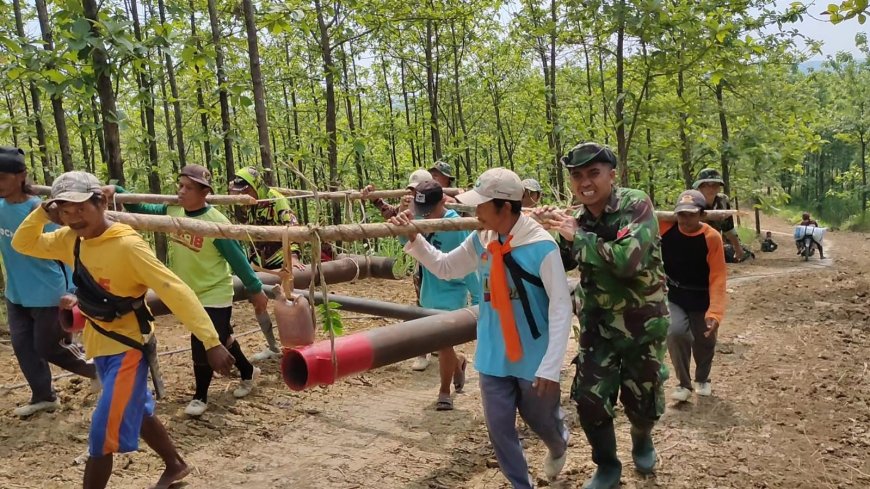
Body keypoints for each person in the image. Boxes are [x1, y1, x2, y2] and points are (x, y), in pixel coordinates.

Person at [12, 170, 235, 489]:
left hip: (129, 348)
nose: (74, 218)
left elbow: (174, 289)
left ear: (100, 203)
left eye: (81, 208)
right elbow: (24, 243)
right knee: (138, 409)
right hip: (99, 344)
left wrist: (211, 340)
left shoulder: (128, 245)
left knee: (102, 435)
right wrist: (40, 212)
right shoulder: (68, 239)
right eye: (65, 210)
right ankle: (175, 465)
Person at [391, 168, 572, 487]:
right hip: (493, 352)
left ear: (504, 207)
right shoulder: (482, 237)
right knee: (500, 429)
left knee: (541, 421)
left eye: (482, 205)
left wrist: (551, 366)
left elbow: (560, 306)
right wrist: (413, 237)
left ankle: (558, 444)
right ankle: (521, 484)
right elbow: (446, 267)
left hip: (534, 355)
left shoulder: (542, 246)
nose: (475, 212)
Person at [539, 142, 669, 488]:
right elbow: (562, 263)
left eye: (593, 173)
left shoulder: (635, 204)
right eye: (577, 176)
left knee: (643, 402)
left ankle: (642, 438)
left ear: (612, 175)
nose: (585, 182)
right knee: (590, 400)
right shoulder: (577, 218)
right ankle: (607, 466)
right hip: (598, 327)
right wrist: (545, 230)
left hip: (644, 324)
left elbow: (629, 262)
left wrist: (576, 235)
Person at [107, 165, 266, 417]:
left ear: (204, 192)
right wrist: (118, 191)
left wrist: (255, 289)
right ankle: (248, 372)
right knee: (221, 338)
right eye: (180, 185)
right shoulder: (172, 210)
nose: (181, 191)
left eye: (188, 187)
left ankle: (200, 397)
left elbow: (238, 260)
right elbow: (140, 210)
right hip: (188, 294)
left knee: (203, 341)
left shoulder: (216, 224)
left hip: (215, 291)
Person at [0, 147, 97, 417]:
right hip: (16, 292)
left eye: (2, 178)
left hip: (48, 292)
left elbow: (69, 251)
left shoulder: (42, 212)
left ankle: (98, 370)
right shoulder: (0, 208)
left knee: (51, 346)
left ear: (21, 176)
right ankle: (44, 395)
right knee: (23, 347)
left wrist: (72, 290)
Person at [403, 180, 480, 410]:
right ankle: (458, 364)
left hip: (452, 292)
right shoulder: (420, 220)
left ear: (443, 202)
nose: (425, 216)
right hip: (429, 289)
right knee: (440, 343)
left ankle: (444, 391)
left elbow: (469, 266)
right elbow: (408, 242)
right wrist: (402, 223)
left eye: (429, 211)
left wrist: (477, 302)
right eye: (421, 211)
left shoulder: (456, 226)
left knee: (443, 341)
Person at [658, 190, 727, 402]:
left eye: (691, 214)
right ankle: (683, 384)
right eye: (681, 214)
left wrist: (714, 312)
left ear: (701, 214)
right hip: (676, 295)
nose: (685, 219)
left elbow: (718, 277)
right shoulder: (665, 229)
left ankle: (703, 378)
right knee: (675, 332)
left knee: (705, 339)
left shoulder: (711, 238)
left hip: (702, 296)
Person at [228, 166, 300, 360]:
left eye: (246, 190)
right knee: (259, 303)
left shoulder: (276, 199)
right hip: (258, 261)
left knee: (286, 302)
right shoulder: (251, 203)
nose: (243, 195)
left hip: (279, 258)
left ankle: (295, 345)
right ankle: (273, 346)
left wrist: (293, 255)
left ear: (256, 185)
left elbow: (292, 228)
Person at [693, 168, 746, 262]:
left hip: (714, 244)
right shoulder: (691, 201)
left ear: (719, 187)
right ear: (699, 187)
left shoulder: (722, 201)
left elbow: (728, 228)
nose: (711, 188)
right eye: (706, 185)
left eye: (715, 185)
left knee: (743, 254)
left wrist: (738, 248)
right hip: (693, 244)